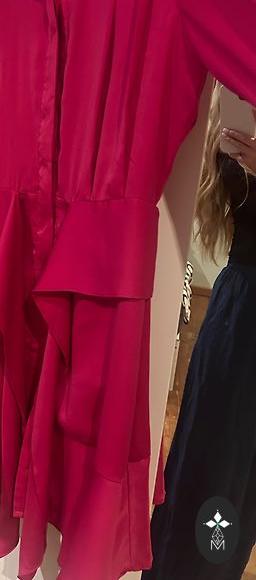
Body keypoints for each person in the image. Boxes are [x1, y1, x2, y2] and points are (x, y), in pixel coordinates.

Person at [142, 80, 256, 579]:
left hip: (241, 312)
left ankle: (213, 567)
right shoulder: (234, 89)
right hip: (240, 314)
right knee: (213, 460)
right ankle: (188, 568)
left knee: (243, 476)